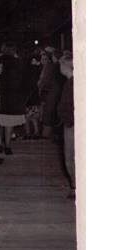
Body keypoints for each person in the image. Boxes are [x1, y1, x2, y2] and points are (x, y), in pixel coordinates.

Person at [0, 42, 27, 155]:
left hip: (2, 93)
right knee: (8, 122)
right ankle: (7, 145)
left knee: (0, 122)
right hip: (13, 96)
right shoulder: (17, 63)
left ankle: (0, 143)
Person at [57, 52, 75, 198]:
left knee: (70, 157)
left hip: (71, 124)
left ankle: (75, 186)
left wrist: (68, 120)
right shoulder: (70, 82)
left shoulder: (72, 83)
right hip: (68, 122)